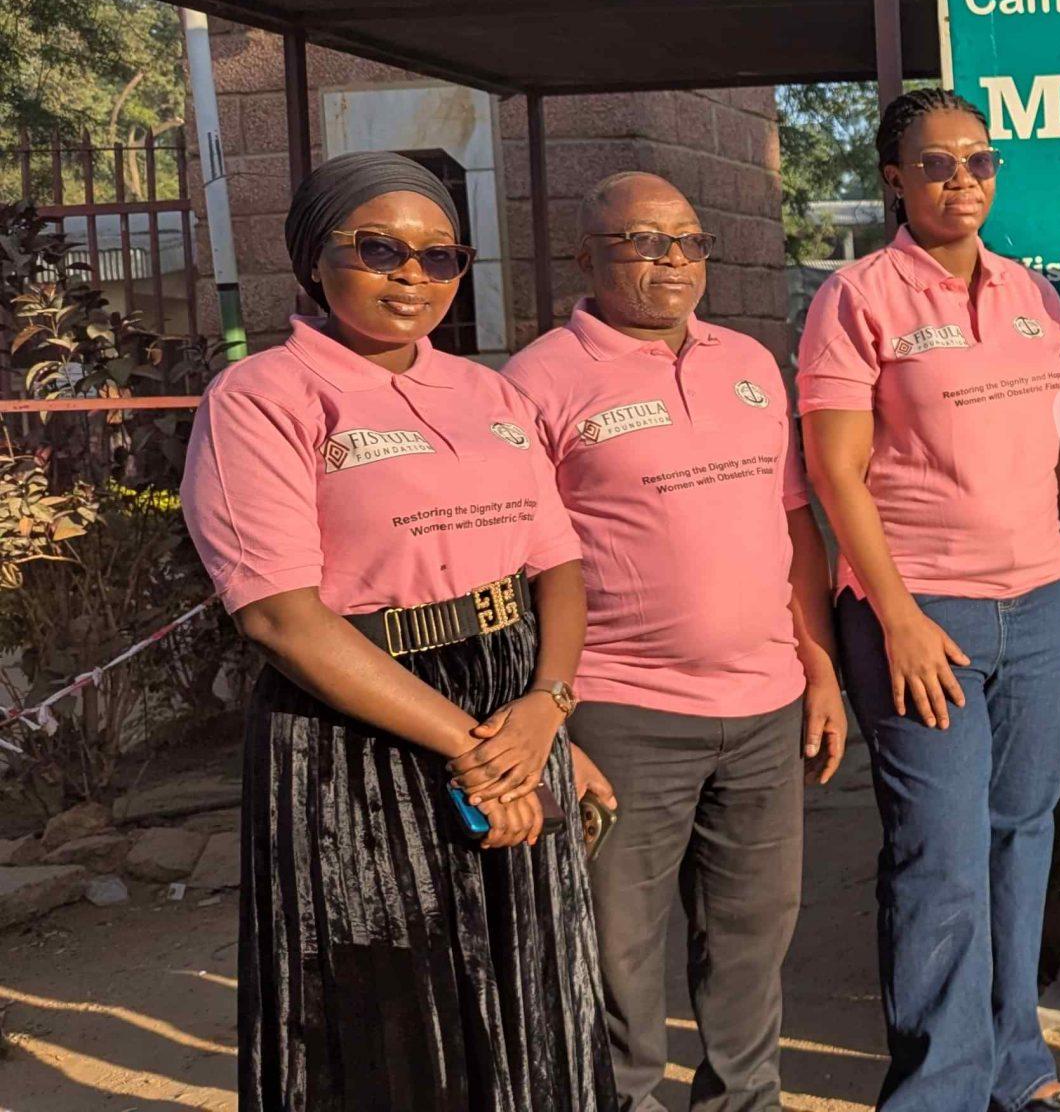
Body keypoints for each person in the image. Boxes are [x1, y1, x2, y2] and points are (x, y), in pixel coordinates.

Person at [179, 151, 612, 1111]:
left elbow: (559, 568)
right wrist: (478, 752)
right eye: (380, 249)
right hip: (361, 724)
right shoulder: (263, 399)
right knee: (390, 1005)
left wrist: (548, 712)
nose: (412, 275)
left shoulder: (491, 394)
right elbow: (283, 619)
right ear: (314, 258)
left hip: (512, 699)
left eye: (440, 255)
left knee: (534, 984)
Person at [502, 171, 845, 1112]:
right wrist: (555, 720)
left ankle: (745, 1101)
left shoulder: (749, 361)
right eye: (644, 243)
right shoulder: (537, 381)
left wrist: (818, 666)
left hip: (766, 706)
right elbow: (520, 569)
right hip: (621, 714)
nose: (674, 262)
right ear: (586, 257)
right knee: (618, 950)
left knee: (752, 938)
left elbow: (795, 525)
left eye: (690, 242)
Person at [796, 88, 1060, 1112]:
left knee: (1022, 834)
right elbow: (836, 472)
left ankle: (1018, 1066)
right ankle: (938, 1086)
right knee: (939, 853)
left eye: (978, 161)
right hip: (924, 610)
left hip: (1040, 600)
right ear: (893, 177)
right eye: (935, 164)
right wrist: (895, 617)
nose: (961, 180)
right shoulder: (859, 298)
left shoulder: (1030, 294)